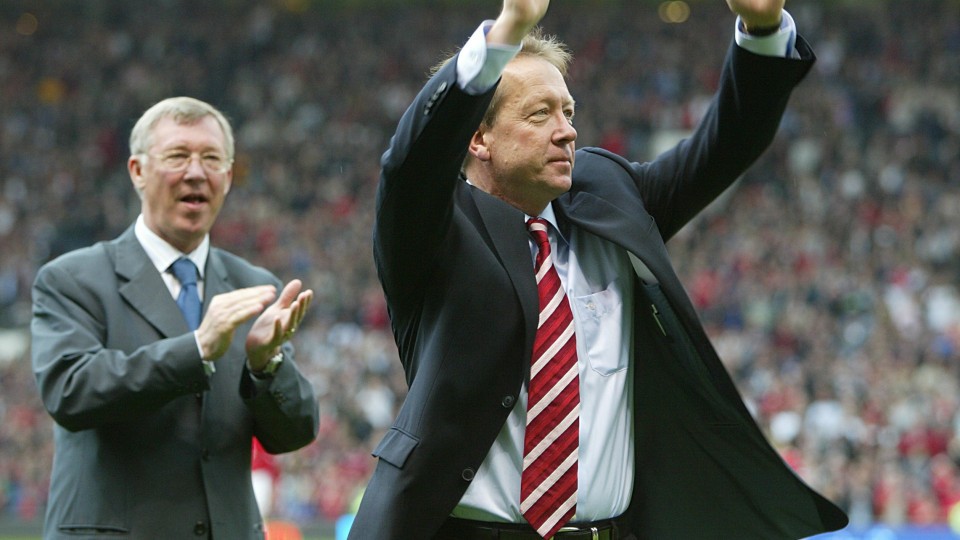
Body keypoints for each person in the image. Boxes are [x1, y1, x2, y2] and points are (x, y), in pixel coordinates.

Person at [353, 0, 850, 538]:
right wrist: (505, 33)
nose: (566, 131)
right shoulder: (431, 229)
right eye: (540, 114)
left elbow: (725, 146)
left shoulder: (608, 194)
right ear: (479, 138)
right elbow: (411, 163)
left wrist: (762, 28)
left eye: (568, 113)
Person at [30, 96, 320, 539]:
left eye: (212, 159)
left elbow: (294, 434)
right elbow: (70, 392)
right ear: (137, 171)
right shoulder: (73, 279)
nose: (196, 172)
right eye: (178, 156)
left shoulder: (254, 286)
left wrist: (267, 366)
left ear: (228, 177)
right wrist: (196, 349)